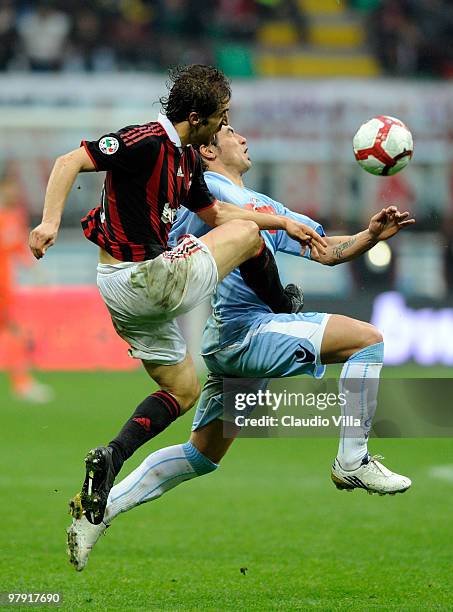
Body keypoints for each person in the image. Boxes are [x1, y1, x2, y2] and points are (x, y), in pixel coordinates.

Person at [66, 124, 415, 571]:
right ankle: (353, 460)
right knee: (368, 342)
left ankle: (97, 512)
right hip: (246, 332)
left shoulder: (267, 208)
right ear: (208, 149)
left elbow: (326, 251)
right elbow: (169, 225)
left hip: (231, 341)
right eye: (230, 132)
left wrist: (369, 236)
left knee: (200, 455)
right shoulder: (204, 189)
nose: (243, 138)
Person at [28, 65, 324, 528]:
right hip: (148, 279)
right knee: (247, 236)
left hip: (119, 292)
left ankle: (110, 457)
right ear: (195, 115)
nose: (224, 125)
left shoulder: (186, 161)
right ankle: (283, 310)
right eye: (220, 117)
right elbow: (69, 162)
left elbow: (217, 211)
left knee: (182, 390)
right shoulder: (146, 141)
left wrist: (284, 222)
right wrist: (49, 223)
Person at [0, 168, 53, 403]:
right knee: (13, 332)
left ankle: (21, 382)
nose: (13, 191)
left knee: (14, 332)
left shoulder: (15, 215)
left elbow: (20, 249)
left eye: (15, 187)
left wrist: (35, 270)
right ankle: (21, 383)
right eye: (9, 186)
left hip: (5, 286)